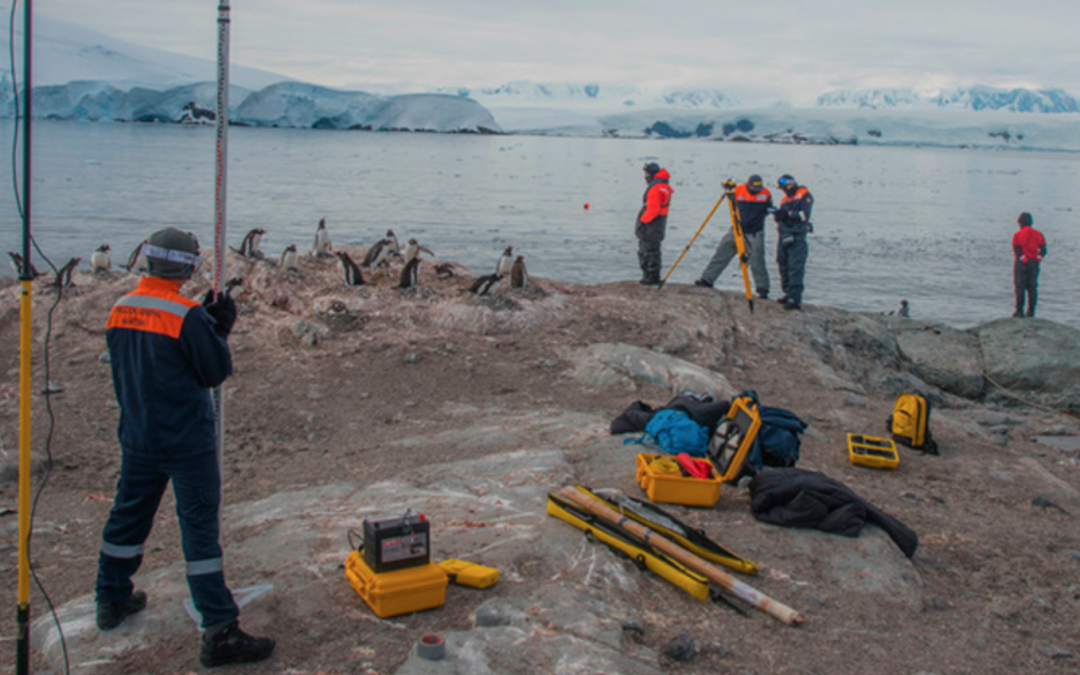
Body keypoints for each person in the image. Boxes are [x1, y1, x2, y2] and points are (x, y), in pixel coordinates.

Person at [95, 227, 275, 668]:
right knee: (199, 531)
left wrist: (205, 326)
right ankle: (219, 629)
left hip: (138, 435)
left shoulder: (121, 308)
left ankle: (111, 597)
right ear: (189, 265)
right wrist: (218, 329)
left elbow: (143, 363)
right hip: (186, 439)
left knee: (128, 516)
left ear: (149, 260)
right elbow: (213, 371)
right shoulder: (185, 314)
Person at [694, 174, 773, 297]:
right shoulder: (738, 190)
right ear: (748, 184)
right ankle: (707, 279)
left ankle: (763, 288)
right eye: (754, 188)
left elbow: (769, 209)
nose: (756, 191)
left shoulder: (766, 193)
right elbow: (732, 205)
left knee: (757, 260)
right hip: (736, 228)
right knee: (722, 252)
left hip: (755, 232)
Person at [773, 174, 814, 311]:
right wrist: (779, 216)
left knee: (795, 266)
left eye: (786, 186)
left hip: (797, 236)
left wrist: (788, 214)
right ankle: (787, 292)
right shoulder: (785, 200)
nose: (785, 190)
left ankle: (794, 298)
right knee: (782, 263)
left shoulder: (804, 195)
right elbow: (781, 219)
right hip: (785, 234)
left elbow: (804, 215)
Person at [635, 162, 674, 285]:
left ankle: (650, 277)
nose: (645, 176)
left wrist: (642, 222)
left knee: (648, 250)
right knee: (654, 249)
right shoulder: (663, 186)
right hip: (659, 224)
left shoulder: (655, 188)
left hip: (652, 224)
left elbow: (653, 209)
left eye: (646, 173)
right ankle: (654, 276)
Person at [1012, 211, 1047, 318]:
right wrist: (1038, 258)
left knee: (1020, 287)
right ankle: (1031, 311)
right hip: (1034, 262)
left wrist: (1023, 258)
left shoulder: (1017, 235)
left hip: (1022, 263)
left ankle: (1019, 311)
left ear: (1020, 223)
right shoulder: (1038, 234)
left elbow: (1017, 249)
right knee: (1032, 287)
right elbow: (1043, 249)